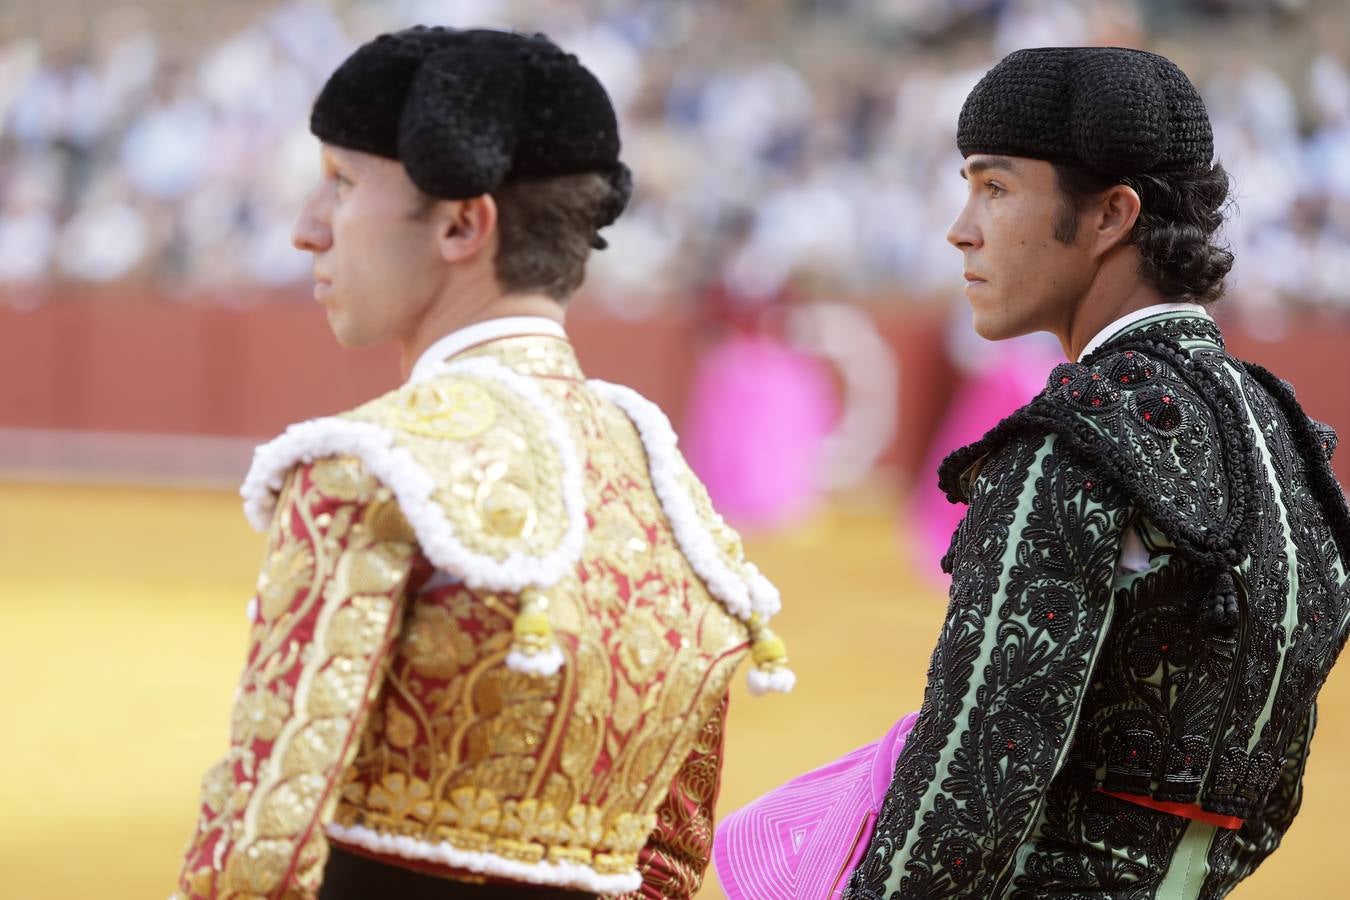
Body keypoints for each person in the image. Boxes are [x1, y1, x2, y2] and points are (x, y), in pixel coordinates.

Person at [170, 26, 794, 900]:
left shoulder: (368, 469)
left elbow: (260, 850)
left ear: (463, 223)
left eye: (342, 185)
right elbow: (671, 866)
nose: (307, 230)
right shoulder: (668, 492)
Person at [842, 47, 1350, 898]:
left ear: (1112, 215)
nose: (960, 226)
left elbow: (962, 799)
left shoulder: (1071, 445)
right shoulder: (1286, 438)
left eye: (995, 188)